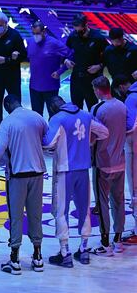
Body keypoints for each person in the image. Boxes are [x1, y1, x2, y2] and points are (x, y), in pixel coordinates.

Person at [43, 96, 108, 267]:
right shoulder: (86, 115)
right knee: (84, 209)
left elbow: (48, 143)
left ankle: (65, 253)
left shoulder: (58, 118)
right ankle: (84, 250)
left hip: (65, 170)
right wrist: (89, 141)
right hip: (83, 169)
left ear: (52, 107)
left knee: (61, 211)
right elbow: (104, 132)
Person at [0, 94, 47, 275]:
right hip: (38, 173)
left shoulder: (7, 122)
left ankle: (15, 258)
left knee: (16, 216)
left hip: (17, 175)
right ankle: (38, 256)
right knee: (36, 215)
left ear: (8, 105)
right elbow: (47, 142)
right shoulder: (37, 117)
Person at [90, 76, 126, 256]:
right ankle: (118, 240)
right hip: (120, 162)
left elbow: (92, 137)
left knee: (103, 202)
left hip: (103, 162)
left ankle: (105, 244)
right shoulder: (122, 105)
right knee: (119, 201)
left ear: (97, 90)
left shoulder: (97, 108)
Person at [0, 12, 27, 130]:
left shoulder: (15, 35)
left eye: (0, 25)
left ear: (6, 23)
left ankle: (17, 128)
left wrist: (7, 60)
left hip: (12, 76)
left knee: (15, 104)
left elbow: (24, 55)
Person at [111, 75, 137, 244]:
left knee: (135, 187)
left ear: (121, 87)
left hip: (134, 147)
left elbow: (130, 124)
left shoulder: (132, 97)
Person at [26, 20, 71, 116]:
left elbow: (71, 56)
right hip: (34, 87)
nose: (35, 36)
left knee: (54, 116)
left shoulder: (54, 43)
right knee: (36, 117)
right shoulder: (30, 41)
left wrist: (60, 71)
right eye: (33, 33)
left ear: (44, 32)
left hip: (51, 87)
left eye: (37, 33)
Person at [65, 14, 108, 110]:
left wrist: (100, 66)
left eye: (80, 29)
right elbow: (65, 51)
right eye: (76, 29)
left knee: (92, 108)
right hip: (76, 77)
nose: (77, 32)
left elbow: (108, 55)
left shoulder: (98, 37)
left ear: (86, 25)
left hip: (92, 79)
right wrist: (66, 60)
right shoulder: (73, 36)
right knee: (76, 108)